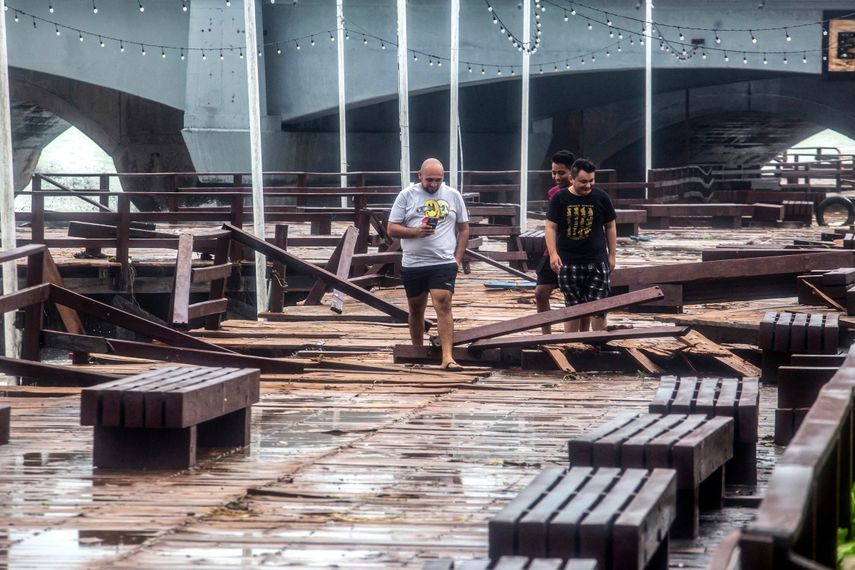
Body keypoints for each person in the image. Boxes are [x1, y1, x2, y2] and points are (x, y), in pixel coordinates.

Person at [387, 158, 470, 371]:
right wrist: (415, 232)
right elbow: (392, 228)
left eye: (438, 180)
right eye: (429, 180)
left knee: (443, 303)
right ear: (419, 176)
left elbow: (464, 228)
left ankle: (447, 357)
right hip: (414, 262)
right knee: (416, 309)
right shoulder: (407, 195)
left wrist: (457, 258)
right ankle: (417, 353)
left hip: (442, 261)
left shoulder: (453, 196)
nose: (434, 184)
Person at [545, 158, 617, 332]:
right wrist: (553, 254)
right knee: (572, 308)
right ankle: (570, 346)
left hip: (597, 260)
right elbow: (550, 226)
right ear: (572, 179)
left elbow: (610, 225)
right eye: (583, 182)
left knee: (598, 307)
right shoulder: (559, 198)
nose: (588, 185)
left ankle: (599, 344)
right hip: (569, 261)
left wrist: (612, 255)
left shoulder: (601, 197)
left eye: (591, 181)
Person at [535, 150, 575, 334]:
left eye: (561, 173)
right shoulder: (553, 193)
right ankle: (546, 335)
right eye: (553, 173)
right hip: (552, 249)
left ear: (571, 172)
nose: (557, 177)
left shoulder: (581, 192)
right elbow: (551, 225)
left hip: (574, 250)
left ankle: (578, 335)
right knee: (541, 292)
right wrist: (552, 252)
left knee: (575, 295)